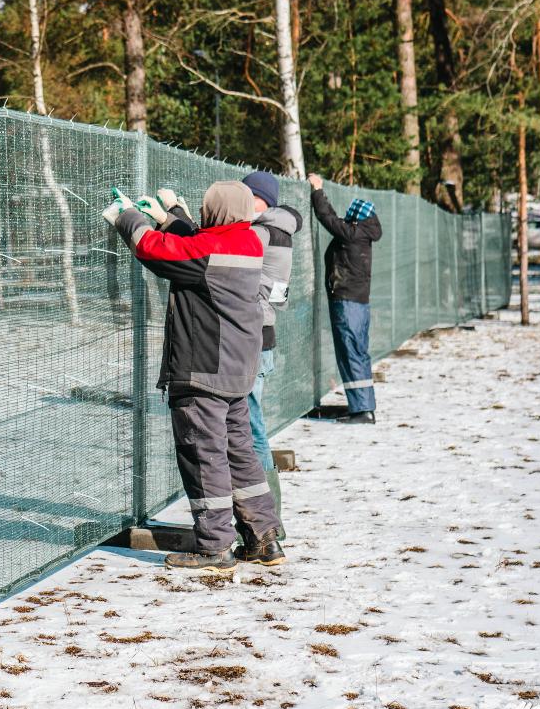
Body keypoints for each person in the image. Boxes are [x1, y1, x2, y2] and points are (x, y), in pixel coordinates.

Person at [104, 182, 285, 571]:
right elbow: (197, 246)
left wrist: (127, 217)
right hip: (237, 371)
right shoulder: (248, 242)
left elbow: (156, 250)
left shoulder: (210, 252)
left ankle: (215, 546)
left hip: (204, 369)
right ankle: (264, 538)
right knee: (240, 455)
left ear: (215, 212)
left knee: (204, 455)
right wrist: (170, 218)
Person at [242, 172, 303, 530]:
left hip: (253, 337)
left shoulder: (261, 232)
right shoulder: (281, 232)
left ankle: (269, 519)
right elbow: (279, 296)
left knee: (252, 430)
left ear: (260, 198)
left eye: (247, 195)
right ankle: (267, 516)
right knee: (251, 425)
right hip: (264, 334)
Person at [308, 173, 383, 424]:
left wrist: (318, 191)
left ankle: (361, 410)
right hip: (358, 303)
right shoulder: (361, 233)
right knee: (357, 352)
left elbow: (327, 218)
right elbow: (335, 219)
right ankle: (362, 406)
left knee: (351, 352)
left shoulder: (352, 234)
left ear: (356, 217)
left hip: (348, 302)